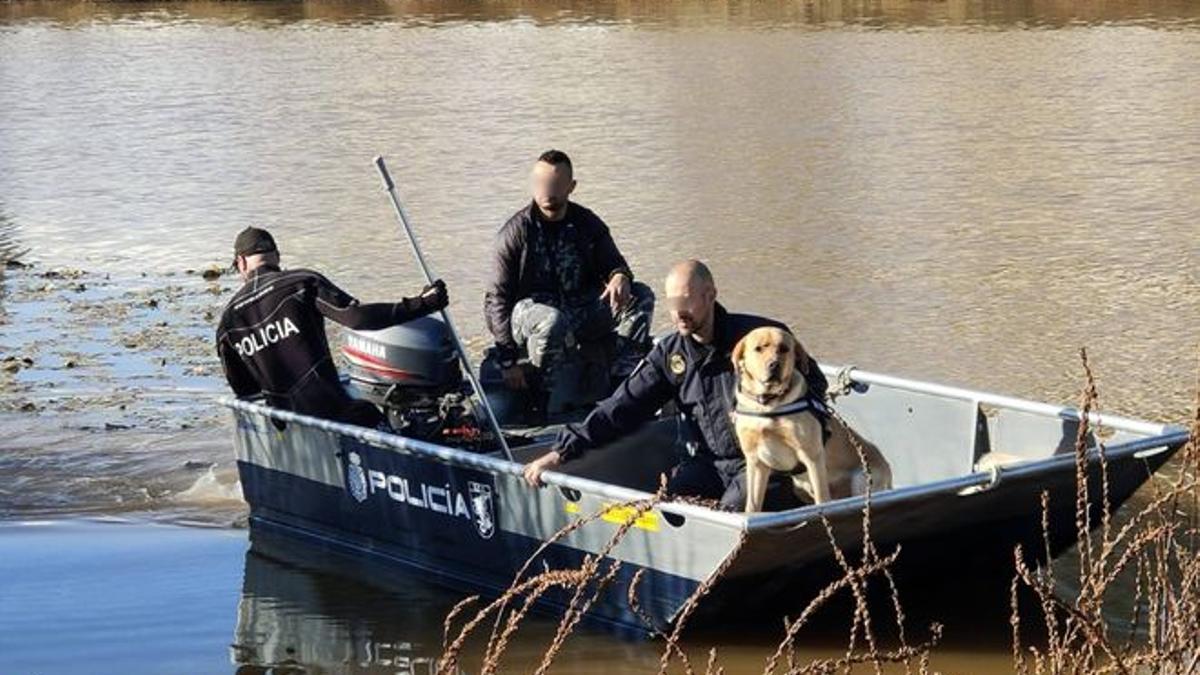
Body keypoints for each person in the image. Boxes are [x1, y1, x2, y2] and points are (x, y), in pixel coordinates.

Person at [521, 260, 829, 511]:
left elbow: (814, 387)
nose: (678, 311)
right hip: (710, 463)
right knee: (665, 504)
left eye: (686, 300)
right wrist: (562, 452)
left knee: (731, 514)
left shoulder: (760, 339)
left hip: (764, 464)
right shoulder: (671, 355)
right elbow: (623, 407)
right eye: (672, 302)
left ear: (710, 295)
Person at [216, 226, 448, 428]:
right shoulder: (301, 282)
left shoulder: (227, 323)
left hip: (286, 424)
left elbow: (245, 391)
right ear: (276, 255)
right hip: (332, 413)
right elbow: (357, 318)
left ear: (241, 263)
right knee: (372, 413)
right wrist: (423, 304)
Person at [483, 149, 654, 419]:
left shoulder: (586, 223)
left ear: (571, 187)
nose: (547, 190)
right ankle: (541, 399)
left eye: (554, 184)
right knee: (551, 321)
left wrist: (620, 276)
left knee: (641, 295)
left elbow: (615, 264)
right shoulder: (515, 232)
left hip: (578, 308)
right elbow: (497, 299)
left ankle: (623, 383)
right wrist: (507, 359)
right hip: (528, 313)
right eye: (541, 184)